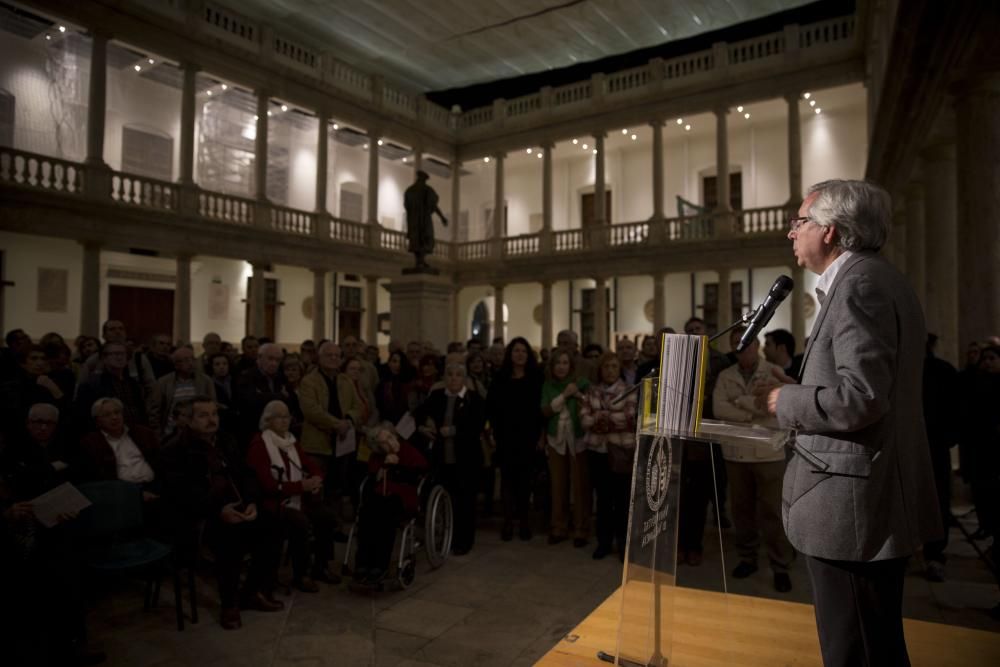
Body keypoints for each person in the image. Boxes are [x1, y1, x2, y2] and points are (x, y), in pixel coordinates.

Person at [762, 180, 941, 666]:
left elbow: (862, 397)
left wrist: (787, 398)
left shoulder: (858, 283)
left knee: (853, 648)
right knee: (872, 642)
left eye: (799, 223)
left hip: (853, 506)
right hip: (865, 496)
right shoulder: (876, 277)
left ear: (831, 231)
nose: (791, 234)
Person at [160, 396, 281, 630]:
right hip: (199, 516)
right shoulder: (174, 450)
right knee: (229, 537)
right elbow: (181, 494)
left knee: (273, 525)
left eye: (214, 414)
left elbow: (246, 474)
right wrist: (218, 510)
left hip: (235, 506)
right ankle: (230, 604)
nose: (211, 420)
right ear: (188, 420)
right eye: (203, 415)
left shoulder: (226, 440)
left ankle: (251, 592)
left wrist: (252, 502)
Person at [712, 330, 794, 592]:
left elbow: (774, 408)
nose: (742, 349)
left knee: (773, 511)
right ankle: (747, 557)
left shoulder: (774, 372)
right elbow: (719, 409)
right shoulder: (726, 375)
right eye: (737, 345)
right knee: (741, 509)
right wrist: (752, 411)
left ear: (757, 345)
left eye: (747, 344)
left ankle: (780, 565)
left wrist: (742, 402)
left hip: (769, 451)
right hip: (737, 452)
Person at [246, 400, 339, 593]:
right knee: (300, 522)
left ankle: (320, 566)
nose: (284, 420)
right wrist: (300, 486)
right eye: (279, 417)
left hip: (298, 497)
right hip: (274, 502)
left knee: (327, 517)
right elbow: (267, 485)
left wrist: (316, 480)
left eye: (287, 416)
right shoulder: (260, 444)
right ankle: (301, 574)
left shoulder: (290, 441)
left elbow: (310, 466)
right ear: (268, 420)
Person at [412, 362, 486, 555]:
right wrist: (422, 427)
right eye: (450, 374)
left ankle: (464, 541)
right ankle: (449, 537)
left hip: (466, 458)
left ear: (464, 379)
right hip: (442, 458)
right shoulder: (437, 397)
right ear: (444, 378)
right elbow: (417, 414)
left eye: (458, 375)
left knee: (465, 501)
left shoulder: (474, 399)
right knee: (449, 500)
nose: (453, 378)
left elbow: (477, 426)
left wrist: (454, 431)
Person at [580, 351, 636, 560]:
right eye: (606, 367)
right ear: (600, 369)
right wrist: (604, 419)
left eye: (614, 366)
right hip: (598, 452)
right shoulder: (592, 391)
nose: (610, 371)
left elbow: (629, 418)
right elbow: (584, 419)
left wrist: (600, 418)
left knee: (622, 501)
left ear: (619, 368)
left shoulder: (629, 390)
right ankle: (604, 542)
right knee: (603, 500)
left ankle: (623, 543)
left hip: (620, 451)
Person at [486, 337, 544, 542]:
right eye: (516, 351)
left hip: (529, 436)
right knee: (508, 481)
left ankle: (525, 522)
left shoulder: (536, 378)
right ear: (510, 354)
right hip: (505, 436)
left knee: (525, 482)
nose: (519, 354)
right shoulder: (500, 378)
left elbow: (540, 410)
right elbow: (491, 408)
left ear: (528, 355)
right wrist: (492, 432)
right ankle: (508, 522)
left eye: (523, 351)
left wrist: (541, 435)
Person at [298, 342, 362, 512]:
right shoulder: (309, 381)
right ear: (319, 358)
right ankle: (316, 529)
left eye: (337, 355)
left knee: (337, 487)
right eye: (329, 355)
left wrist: (348, 420)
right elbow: (311, 411)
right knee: (316, 488)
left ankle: (335, 526)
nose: (333, 358)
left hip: (341, 443)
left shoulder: (345, 380)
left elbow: (358, 406)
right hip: (317, 444)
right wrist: (336, 424)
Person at [541, 347, 591, 547]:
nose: (561, 367)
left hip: (578, 440)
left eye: (565, 363)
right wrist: (564, 395)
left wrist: (576, 394)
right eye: (557, 363)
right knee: (558, 485)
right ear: (552, 366)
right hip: (556, 440)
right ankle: (558, 527)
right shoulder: (548, 385)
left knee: (580, 487)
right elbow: (546, 410)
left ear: (571, 366)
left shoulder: (582, 383)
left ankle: (581, 529)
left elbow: (592, 403)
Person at [156, 346, 216, 437]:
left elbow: (213, 405)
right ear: (176, 365)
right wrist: (157, 434)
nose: (191, 363)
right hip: (171, 434)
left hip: (199, 433)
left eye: (192, 359)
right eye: (186, 360)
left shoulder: (206, 381)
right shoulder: (164, 382)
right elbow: (156, 411)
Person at [403, 170, 448, 269]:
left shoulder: (409, 191)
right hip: (423, 219)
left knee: (417, 239)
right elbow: (434, 206)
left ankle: (419, 261)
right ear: (423, 179)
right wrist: (442, 217)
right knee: (426, 238)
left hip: (414, 220)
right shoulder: (427, 190)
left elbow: (407, 207)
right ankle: (420, 261)